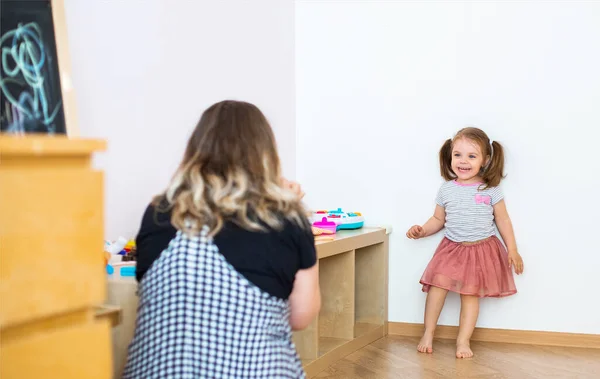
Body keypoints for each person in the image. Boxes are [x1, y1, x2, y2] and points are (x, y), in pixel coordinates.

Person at [122, 100, 320, 378]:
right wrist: (293, 210)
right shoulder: (286, 219)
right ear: (265, 155)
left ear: (196, 150)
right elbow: (301, 316)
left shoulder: (159, 211)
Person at [406, 127, 524, 359]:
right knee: (436, 289)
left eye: (472, 156)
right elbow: (438, 219)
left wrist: (513, 249)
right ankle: (428, 333)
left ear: (485, 160)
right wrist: (422, 230)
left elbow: (502, 219)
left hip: (480, 250)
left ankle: (463, 341)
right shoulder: (447, 189)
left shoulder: (490, 189)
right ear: (450, 157)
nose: (463, 161)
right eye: (458, 155)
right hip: (451, 249)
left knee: (469, 296)